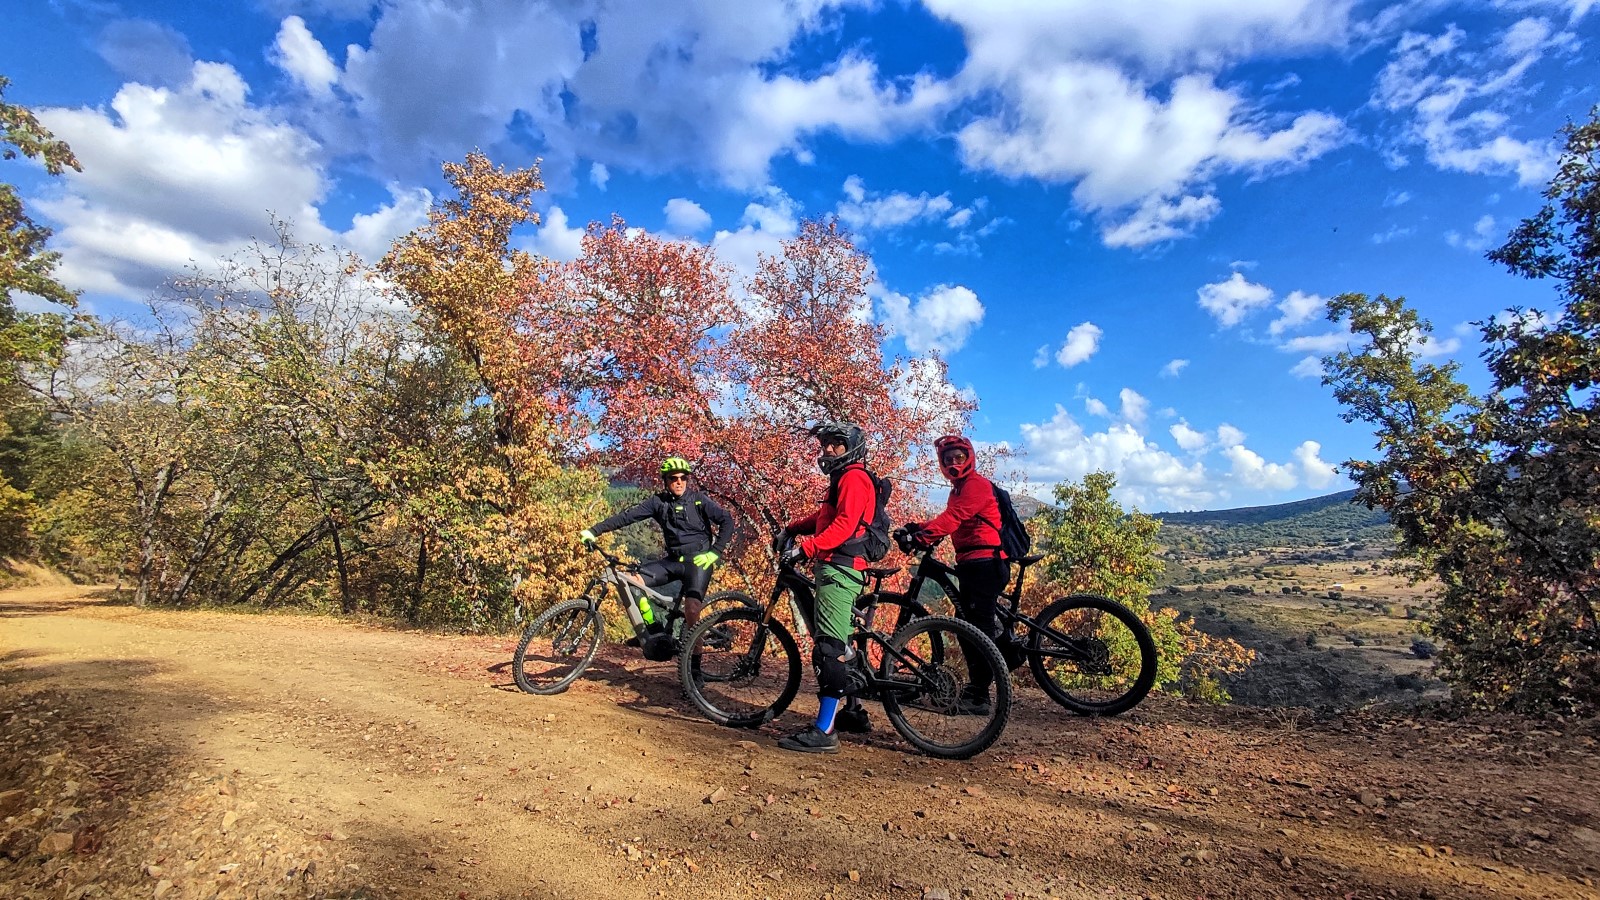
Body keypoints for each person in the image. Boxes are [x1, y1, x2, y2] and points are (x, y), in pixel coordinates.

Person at [774, 422, 877, 754]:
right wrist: (794, 528)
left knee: (828, 648)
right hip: (837, 568)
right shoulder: (843, 478)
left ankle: (824, 730)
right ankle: (853, 712)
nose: (829, 449)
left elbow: (845, 526)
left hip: (839, 570)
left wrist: (805, 549)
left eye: (837, 444)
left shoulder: (854, 478)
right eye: (826, 444)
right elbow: (826, 518)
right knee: (842, 642)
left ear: (853, 448)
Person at [580, 456, 736, 662]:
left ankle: (695, 668)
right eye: (673, 478)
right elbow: (627, 517)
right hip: (672, 561)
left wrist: (715, 552)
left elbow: (726, 520)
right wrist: (594, 530)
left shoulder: (698, 500)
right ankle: (653, 628)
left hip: (698, 563)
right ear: (666, 481)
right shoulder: (658, 503)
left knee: (692, 612)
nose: (679, 482)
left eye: (683, 478)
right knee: (631, 581)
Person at [903, 434, 1014, 716]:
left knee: (975, 628)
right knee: (967, 622)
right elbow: (950, 517)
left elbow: (953, 519)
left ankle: (980, 696)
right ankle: (989, 675)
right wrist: (918, 526)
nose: (954, 462)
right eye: (948, 458)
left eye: (959, 457)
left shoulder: (975, 485)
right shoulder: (958, 489)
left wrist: (922, 538)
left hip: (985, 563)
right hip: (972, 564)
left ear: (969, 458)